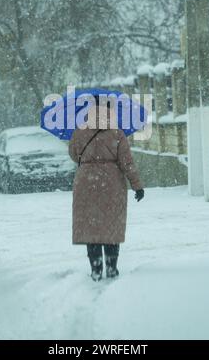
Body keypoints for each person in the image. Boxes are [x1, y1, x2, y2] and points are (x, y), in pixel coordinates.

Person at [68, 96, 144, 281]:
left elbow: (73, 154)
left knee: (91, 228)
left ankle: (95, 269)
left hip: (86, 182)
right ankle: (111, 268)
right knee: (111, 227)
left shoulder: (80, 131)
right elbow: (127, 162)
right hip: (112, 183)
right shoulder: (117, 133)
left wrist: (89, 162)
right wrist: (137, 185)